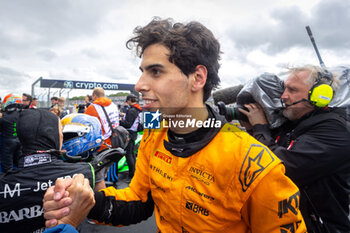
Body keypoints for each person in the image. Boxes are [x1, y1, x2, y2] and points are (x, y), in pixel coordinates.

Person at [42, 18, 306, 233]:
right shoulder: (153, 137)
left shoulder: (253, 161)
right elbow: (139, 200)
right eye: (142, 71)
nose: (139, 85)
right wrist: (87, 202)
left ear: (197, 78)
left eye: (155, 71)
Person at [239, 65, 350, 233]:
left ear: (320, 95)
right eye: (284, 89)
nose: (283, 96)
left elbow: (280, 168)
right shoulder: (293, 123)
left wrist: (260, 128)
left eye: (292, 90)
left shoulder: (335, 131)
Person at [0, 109, 112, 233]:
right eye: (63, 133)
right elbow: (105, 209)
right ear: (57, 136)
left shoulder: (4, 182)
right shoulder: (86, 172)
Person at [119, 94, 142, 179]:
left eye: (127, 100)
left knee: (129, 154)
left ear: (129, 100)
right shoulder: (137, 109)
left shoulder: (132, 110)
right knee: (132, 153)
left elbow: (128, 124)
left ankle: (132, 173)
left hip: (130, 133)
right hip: (134, 133)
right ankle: (133, 171)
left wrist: (120, 121)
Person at [0, 94, 22, 173]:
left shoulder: (4, 116)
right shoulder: (20, 114)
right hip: (19, 141)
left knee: (7, 164)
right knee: (19, 162)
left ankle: (9, 181)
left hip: (8, 142)